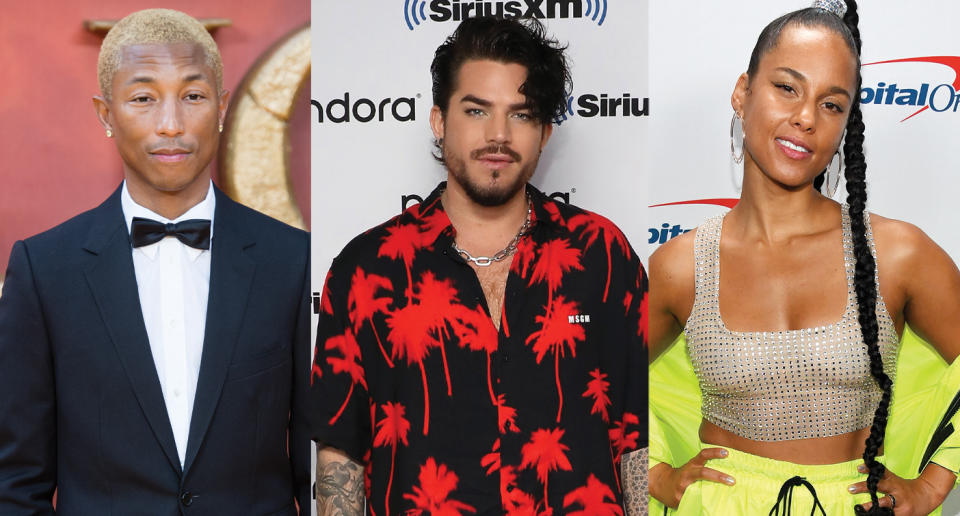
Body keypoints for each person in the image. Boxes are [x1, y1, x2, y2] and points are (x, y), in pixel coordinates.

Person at [308, 16, 647, 515]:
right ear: (440, 121)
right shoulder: (367, 270)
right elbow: (341, 456)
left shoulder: (601, 252)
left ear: (546, 132)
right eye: (476, 110)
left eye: (522, 114)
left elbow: (635, 439)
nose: (498, 135)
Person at [648, 0, 960, 514]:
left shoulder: (897, 254)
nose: (805, 118)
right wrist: (656, 473)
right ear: (742, 91)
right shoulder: (681, 265)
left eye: (831, 104)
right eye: (786, 88)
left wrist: (934, 482)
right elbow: (597, 381)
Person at [0, 9, 311, 514]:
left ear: (222, 106)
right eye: (143, 99)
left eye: (192, 96)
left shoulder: (291, 261)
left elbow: (312, 468)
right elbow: (17, 481)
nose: (171, 125)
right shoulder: (44, 270)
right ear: (105, 114)